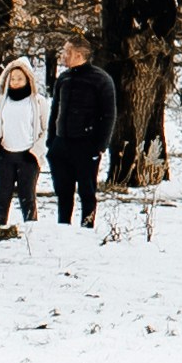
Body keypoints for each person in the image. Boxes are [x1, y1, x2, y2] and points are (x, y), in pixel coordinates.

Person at [50, 44, 122, 229]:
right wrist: (52, 140)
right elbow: (55, 109)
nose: (63, 55)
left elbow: (109, 114)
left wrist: (100, 145)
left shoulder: (101, 79)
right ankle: (63, 227)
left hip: (86, 144)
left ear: (79, 54)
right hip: (62, 143)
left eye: (68, 52)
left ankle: (87, 227)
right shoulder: (63, 78)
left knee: (87, 190)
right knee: (63, 191)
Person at [0, 49, 48, 242]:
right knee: (2, 197)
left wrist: (35, 152)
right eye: (12, 79)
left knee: (27, 197)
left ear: (28, 79)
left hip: (27, 158)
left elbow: (46, 130)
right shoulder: (1, 102)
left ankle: (31, 235)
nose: (15, 82)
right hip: (5, 157)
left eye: (20, 79)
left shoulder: (38, 102)